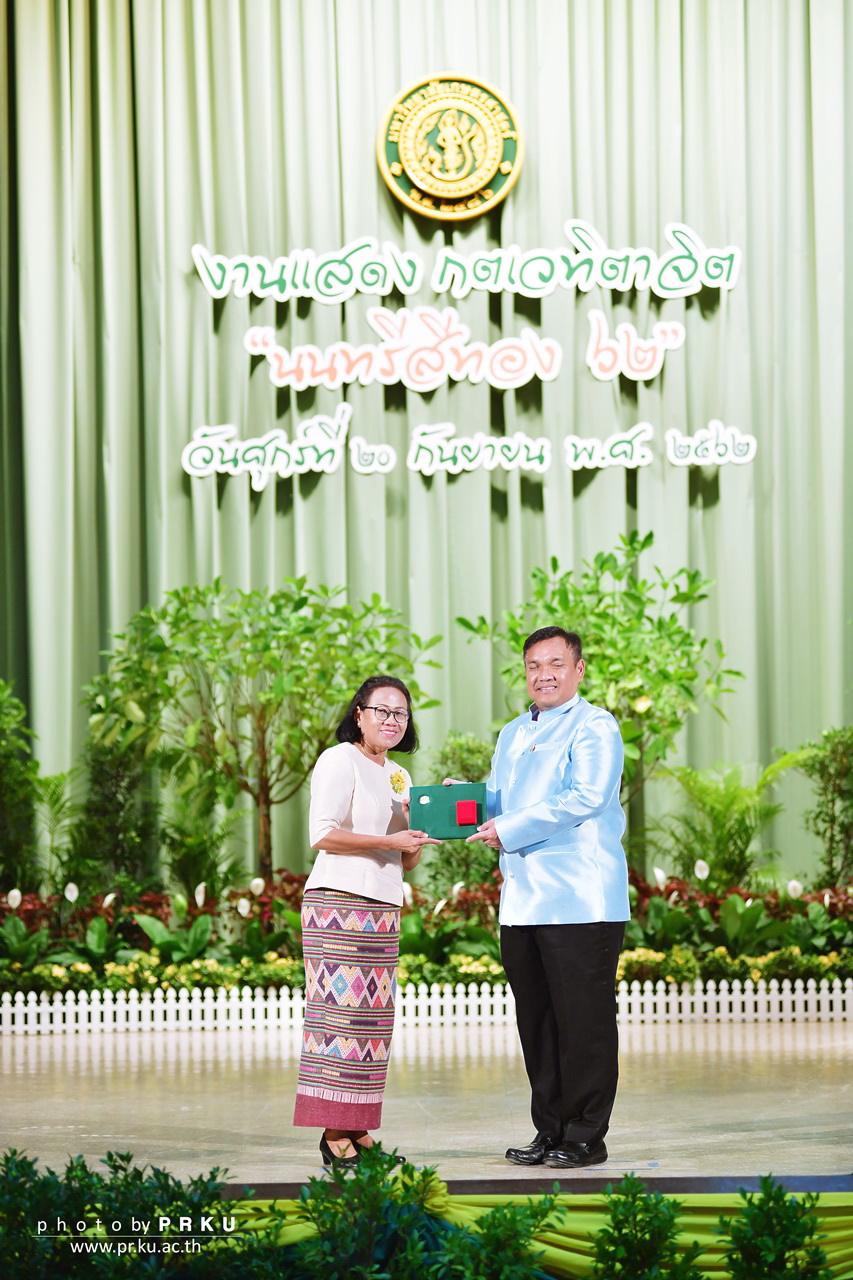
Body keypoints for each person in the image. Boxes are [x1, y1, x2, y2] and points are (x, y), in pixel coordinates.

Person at [467, 625, 629, 1169]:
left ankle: (585, 1135)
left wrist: (508, 827)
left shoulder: (595, 726)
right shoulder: (513, 732)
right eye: (534, 665)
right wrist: (465, 803)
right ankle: (551, 1129)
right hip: (523, 899)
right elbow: (499, 802)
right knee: (537, 1022)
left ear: (578, 669)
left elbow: (586, 796)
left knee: (583, 1024)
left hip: (580, 898)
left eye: (556, 664)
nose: (544, 675)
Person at [293, 675, 437, 1167]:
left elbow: (406, 859)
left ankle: (358, 1128)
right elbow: (322, 834)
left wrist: (414, 832)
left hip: (382, 907)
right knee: (340, 1020)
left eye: (401, 713)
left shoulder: (400, 776)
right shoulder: (340, 759)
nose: (392, 720)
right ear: (359, 714)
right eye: (382, 710)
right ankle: (334, 1134)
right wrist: (388, 841)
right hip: (339, 904)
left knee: (373, 1026)